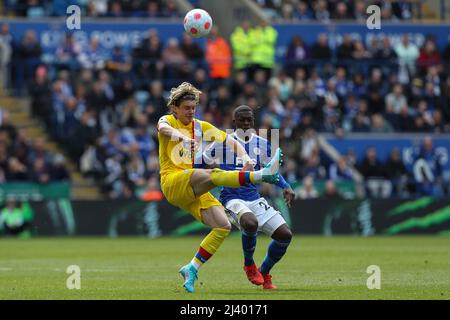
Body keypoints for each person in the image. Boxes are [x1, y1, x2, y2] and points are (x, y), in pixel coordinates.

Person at [157, 82, 282, 293]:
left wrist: (246, 159)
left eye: (193, 108)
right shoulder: (168, 120)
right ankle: (259, 176)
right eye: (186, 108)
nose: (190, 112)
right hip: (173, 181)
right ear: (175, 108)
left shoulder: (200, 126)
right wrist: (182, 137)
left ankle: (192, 268)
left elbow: (230, 141)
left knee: (223, 225)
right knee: (213, 175)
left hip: (191, 188)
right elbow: (163, 129)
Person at [204, 105, 294, 289]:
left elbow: (272, 171)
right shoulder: (223, 141)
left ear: (253, 121)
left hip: (254, 198)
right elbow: (201, 161)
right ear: (234, 120)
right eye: (242, 119)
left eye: (249, 120)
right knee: (250, 222)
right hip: (231, 199)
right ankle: (249, 264)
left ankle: (264, 271)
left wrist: (286, 186)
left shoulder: (262, 143)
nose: (246, 123)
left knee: (285, 235)